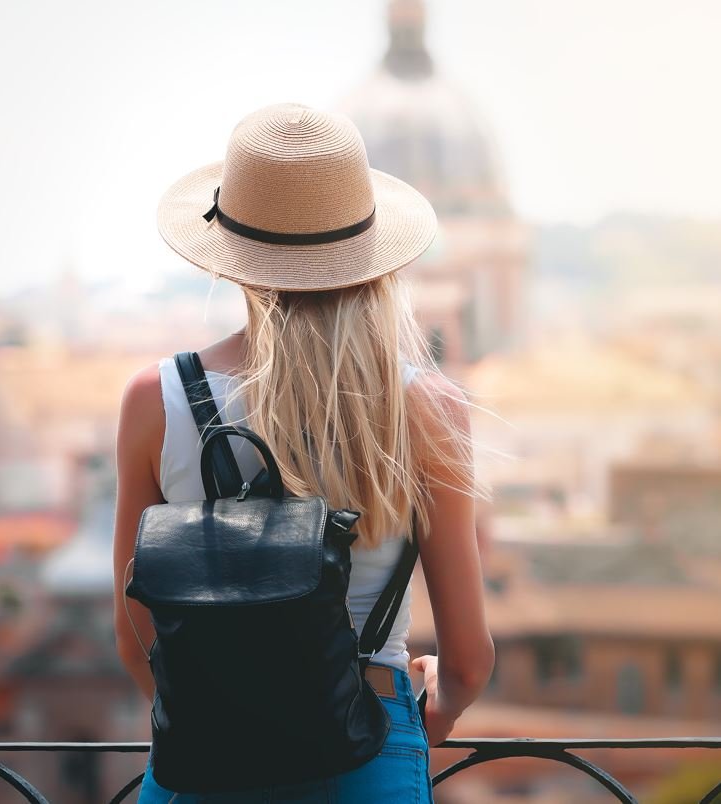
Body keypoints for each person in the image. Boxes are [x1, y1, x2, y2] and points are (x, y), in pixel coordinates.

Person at [112, 102, 495, 803]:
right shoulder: (428, 409)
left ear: (229, 254)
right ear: (371, 249)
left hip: (200, 755)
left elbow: (135, 636)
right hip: (366, 754)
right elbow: (467, 662)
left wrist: (213, 726)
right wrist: (422, 718)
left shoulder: (154, 398)